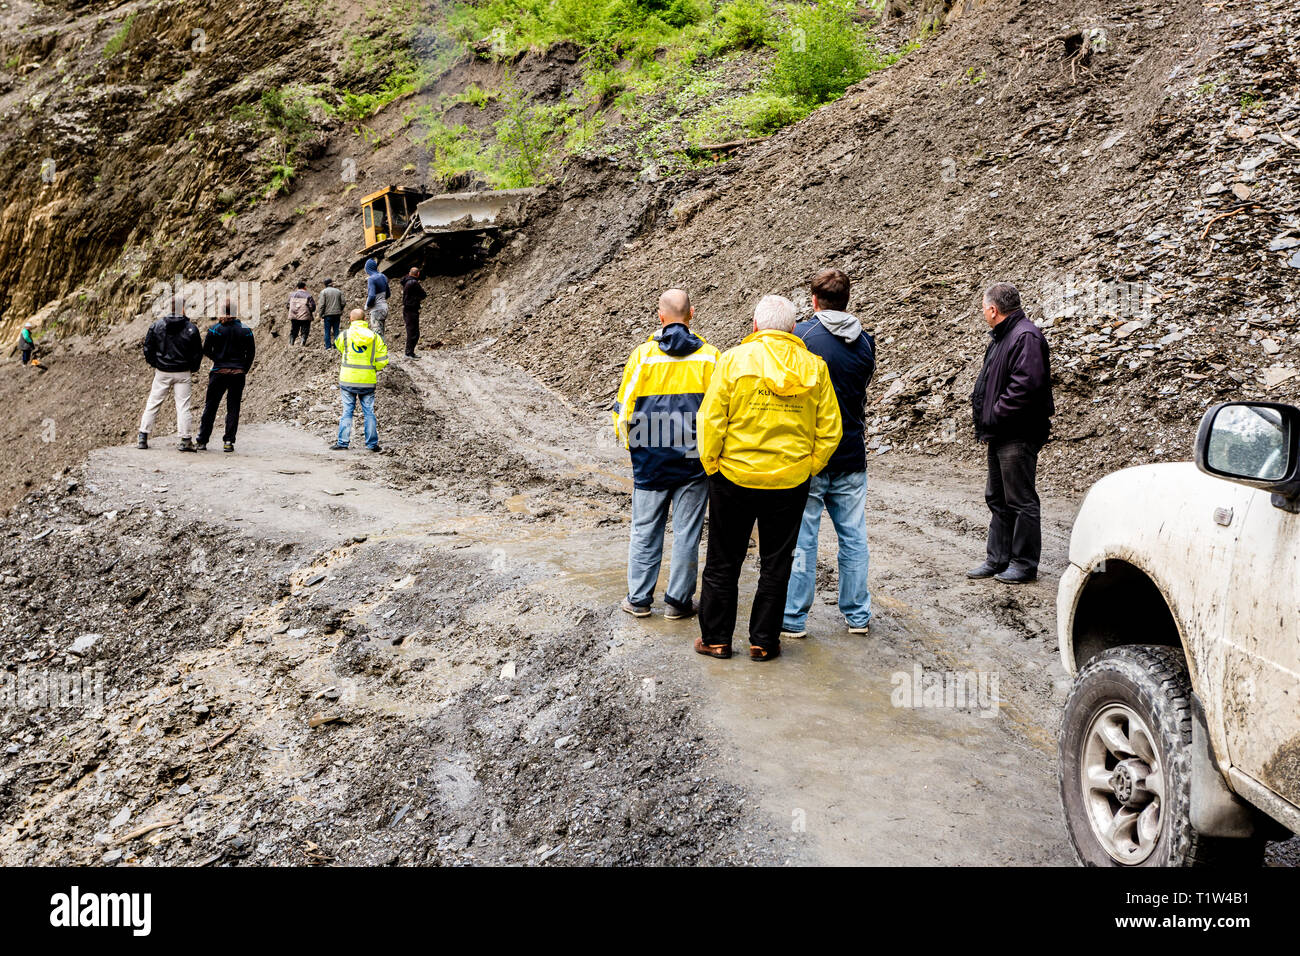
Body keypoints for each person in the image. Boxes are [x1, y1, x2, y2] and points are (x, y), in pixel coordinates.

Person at [694, 295, 842, 662]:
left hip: (733, 477)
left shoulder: (732, 361)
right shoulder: (816, 368)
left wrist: (712, 465)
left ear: (755, 326)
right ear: (793, 328)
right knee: (777, 563)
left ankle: (716, 639)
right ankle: (764, 641)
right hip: (789, 483)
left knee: (723, 561)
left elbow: (710, 421)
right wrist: (809, 467)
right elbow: (830, 430)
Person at [613, 289, 719, 621]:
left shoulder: (642, 357)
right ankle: (678, 602)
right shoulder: (712, 357)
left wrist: (637, 448)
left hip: (651, 461)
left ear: (661, 316)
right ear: (692, 314)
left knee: (645, 529)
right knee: (688, 531)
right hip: (694, 460)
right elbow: (718, 413)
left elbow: (622, 412)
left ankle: (640, 599)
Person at [782, 268, 877, 640]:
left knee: (803, 538)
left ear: (814, 300)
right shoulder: (866, 342)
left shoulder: (802, 336)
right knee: (853, 536)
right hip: (852, 450)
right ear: (848, 299)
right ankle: (857, 616)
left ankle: (793, 618)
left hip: (810, 454)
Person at [968, 281, 1054, 584]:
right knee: (998, 497)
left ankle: (1023, 564)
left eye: (983, 307)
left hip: (1017, 432)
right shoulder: (1004, 337)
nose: (983, 312)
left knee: (1019, 499)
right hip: (1001, 432)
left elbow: (1025, 387)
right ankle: (997, 559)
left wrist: (994, 414)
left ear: (993, 309)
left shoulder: (1025, 336)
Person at [138, 296, 202, 451]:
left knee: (153, 402)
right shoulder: (191, 328)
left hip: (163, 371)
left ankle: (143, 437)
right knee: (183, 406)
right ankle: (185, 440)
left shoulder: (157, 326)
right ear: (182, 308)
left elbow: (148, 348)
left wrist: (156, 363)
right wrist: (192, 368)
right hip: (183, 372)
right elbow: (197, 353)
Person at [196, 298, 256, 453]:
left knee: (211, 406)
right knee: (233, 407)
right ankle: (228, 441)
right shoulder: (246, 329)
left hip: (219, 372)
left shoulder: (215, 329)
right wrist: (244, 368)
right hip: (237, 373)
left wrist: (218, 359)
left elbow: (206, 349)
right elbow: (251, 353)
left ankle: (202, 441)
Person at [330, 308, 388, 453]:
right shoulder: (375, 337)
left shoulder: (344, 335)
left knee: (347, 411)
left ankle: (343, 442)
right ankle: (372, 444)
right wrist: (372, 367)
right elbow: (382, 360)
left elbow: (339, 347)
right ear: (365, 320)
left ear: (351, 319)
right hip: (367, 380)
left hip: (348, 379)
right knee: (369, 412)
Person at [400, 267, 426, 358]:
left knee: (411, 331)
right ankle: (409, 352)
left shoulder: (406, 281)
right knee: (413, 332)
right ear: (418, 274)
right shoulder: (414, 283)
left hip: (407, 309)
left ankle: (410, 352)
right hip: (412, 309)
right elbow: (423, 294)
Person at [363, 258, 390, 339]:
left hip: (376, 309)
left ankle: (380, 351)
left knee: (377, 335)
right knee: (381, 332)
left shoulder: (371, 279)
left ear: (368, 268)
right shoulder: (383, 276)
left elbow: (371, 296)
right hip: (384, 307)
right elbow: (388, 294)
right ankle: (383, 350)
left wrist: (367, 306)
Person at [319, 278, 345, 352]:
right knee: (336, 330)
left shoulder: (323, 292)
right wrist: (340, 309)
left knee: (327, 331)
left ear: (325, 284)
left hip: (327, 315)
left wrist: (320, 314)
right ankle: (337, 346)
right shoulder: (338, 291)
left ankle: (328, 347)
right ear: (332, 283)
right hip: (337, 314)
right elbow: (343, 303)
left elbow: (322, 305)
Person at [287, 280, 316, 346]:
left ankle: (291, 343)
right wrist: (310, 311)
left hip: (294, 316)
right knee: (305, 330)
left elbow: (288, 305)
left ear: (297, 287)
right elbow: (313, 306)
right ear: (304, 287)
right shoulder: (308, 295)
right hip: (305, 316)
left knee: (294, 330)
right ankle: (302, 343)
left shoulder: (291, 295)